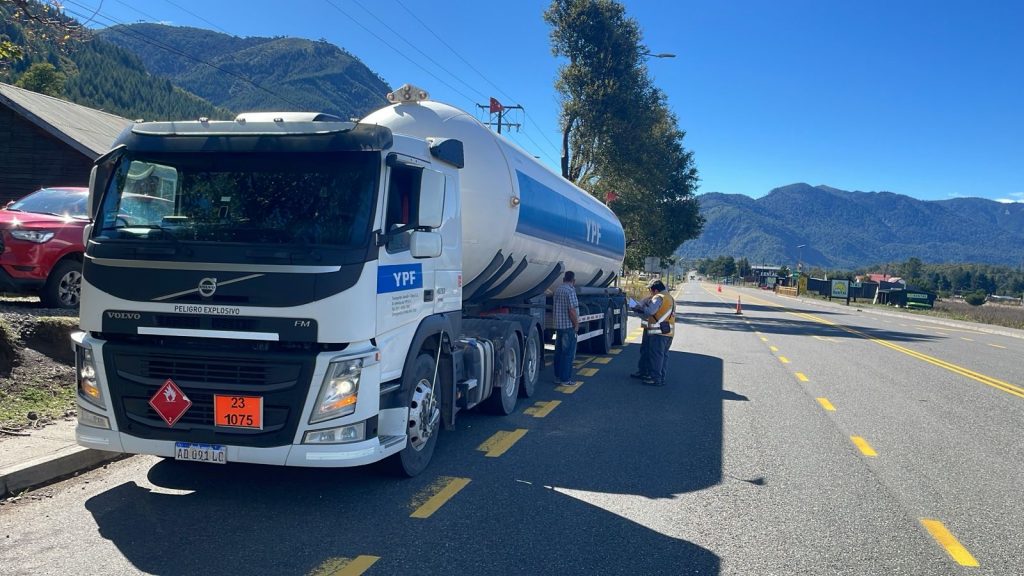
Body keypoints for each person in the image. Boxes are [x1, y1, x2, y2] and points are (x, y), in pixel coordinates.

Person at [631, 280, 675, 386]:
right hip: (668, 332)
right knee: (662, 356)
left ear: (655, 290)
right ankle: (659, 377)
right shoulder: (669, 297)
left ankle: (656, 379)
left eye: (650, 290)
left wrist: (640, 307)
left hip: (658, 332)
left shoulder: (658, 297)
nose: (650, 292)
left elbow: (650, 311)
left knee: (656, 356)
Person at [552, 271, 579, 386]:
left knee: (558, 352)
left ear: (563, 279)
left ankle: (557, 376)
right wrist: (576, 324)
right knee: (567, 353)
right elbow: (572, 310)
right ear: (573, 280)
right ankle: (565, 379)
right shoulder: (570, 290)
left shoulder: (558, 289)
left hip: (558, 325)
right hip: (568, 326)